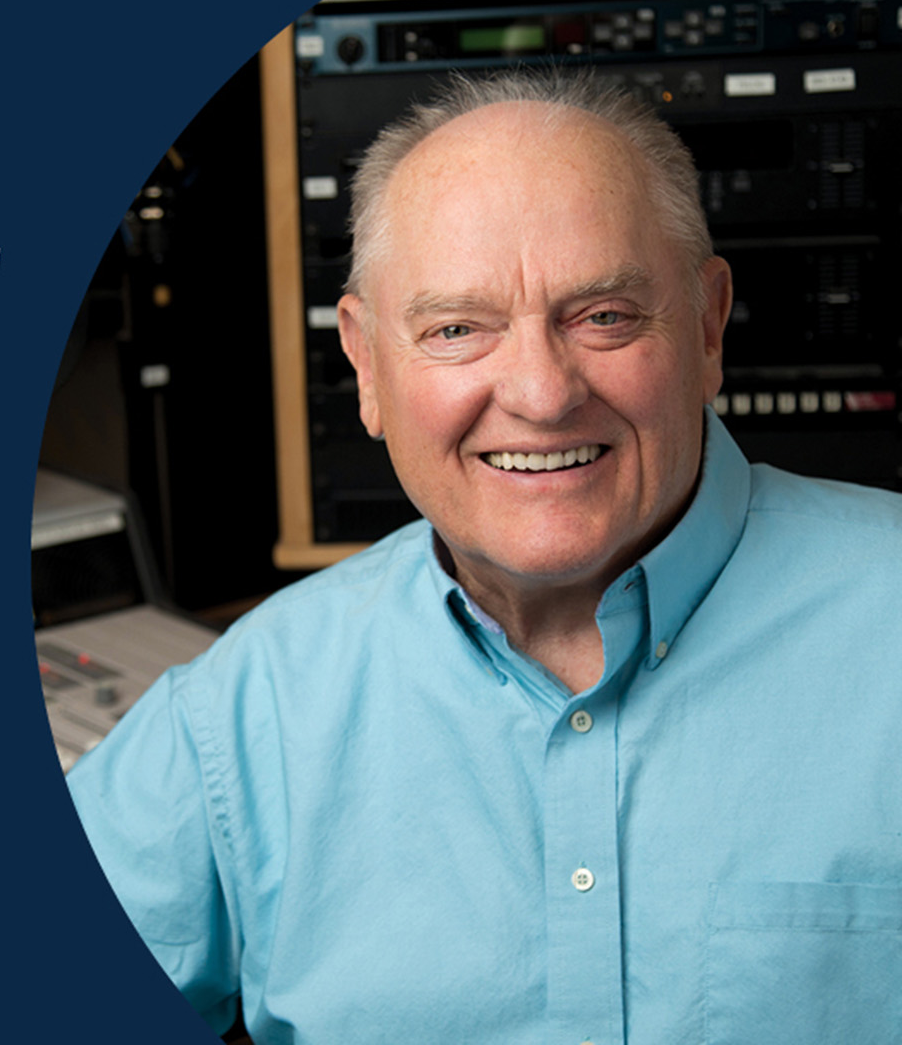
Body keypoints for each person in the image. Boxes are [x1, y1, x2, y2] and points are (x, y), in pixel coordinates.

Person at [65, 71, 902, 1044]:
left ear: (710, 327)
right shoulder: (245, 719)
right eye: (458, 329)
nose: (542, 394)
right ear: (368, 367)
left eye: (604, 316)